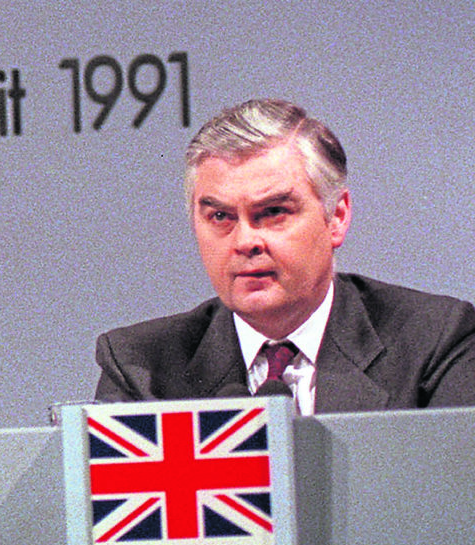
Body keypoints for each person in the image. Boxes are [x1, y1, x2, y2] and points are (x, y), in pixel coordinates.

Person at [95, 98, 475, 414]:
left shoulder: (434, 341)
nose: (245, 241)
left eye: (274, 212)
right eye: (220, 217)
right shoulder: (141, 368)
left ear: (336, 217)